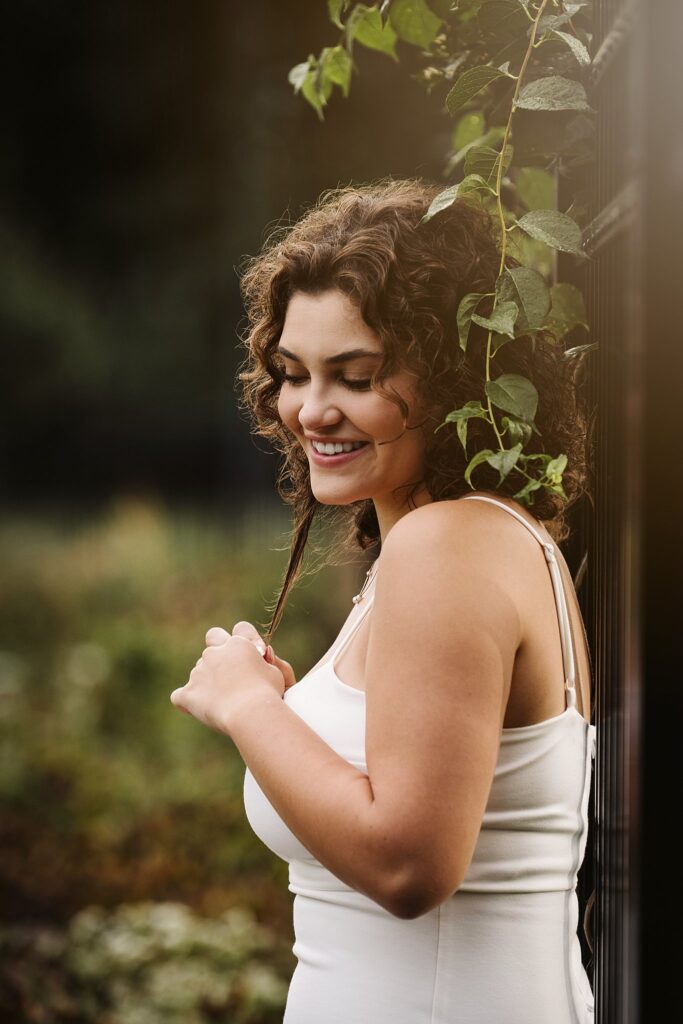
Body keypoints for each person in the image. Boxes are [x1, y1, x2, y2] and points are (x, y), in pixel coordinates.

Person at [170, 179, 596, 1023]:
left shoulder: (448, 548)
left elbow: (408, 867)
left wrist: (249, 709)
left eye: (355, 376)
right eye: (292, 374)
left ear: (448, 376)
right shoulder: (457, 544)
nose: (310, 409)